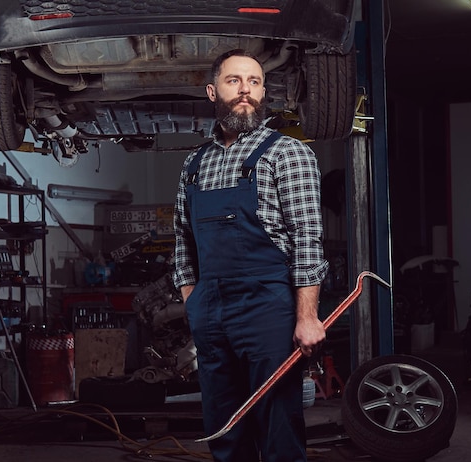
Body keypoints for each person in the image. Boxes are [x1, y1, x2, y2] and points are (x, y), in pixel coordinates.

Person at [173, 49, 328, 462]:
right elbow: (182, 243)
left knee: (277, 422)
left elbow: (307, 237)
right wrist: (194, 304)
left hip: (267, 307)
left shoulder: (287, 154)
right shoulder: (194, 164)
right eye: (234, 81)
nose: (246, 91)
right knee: (224, 425)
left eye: (255, 82)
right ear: (213, 91)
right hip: (211, 311)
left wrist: (307, 316)